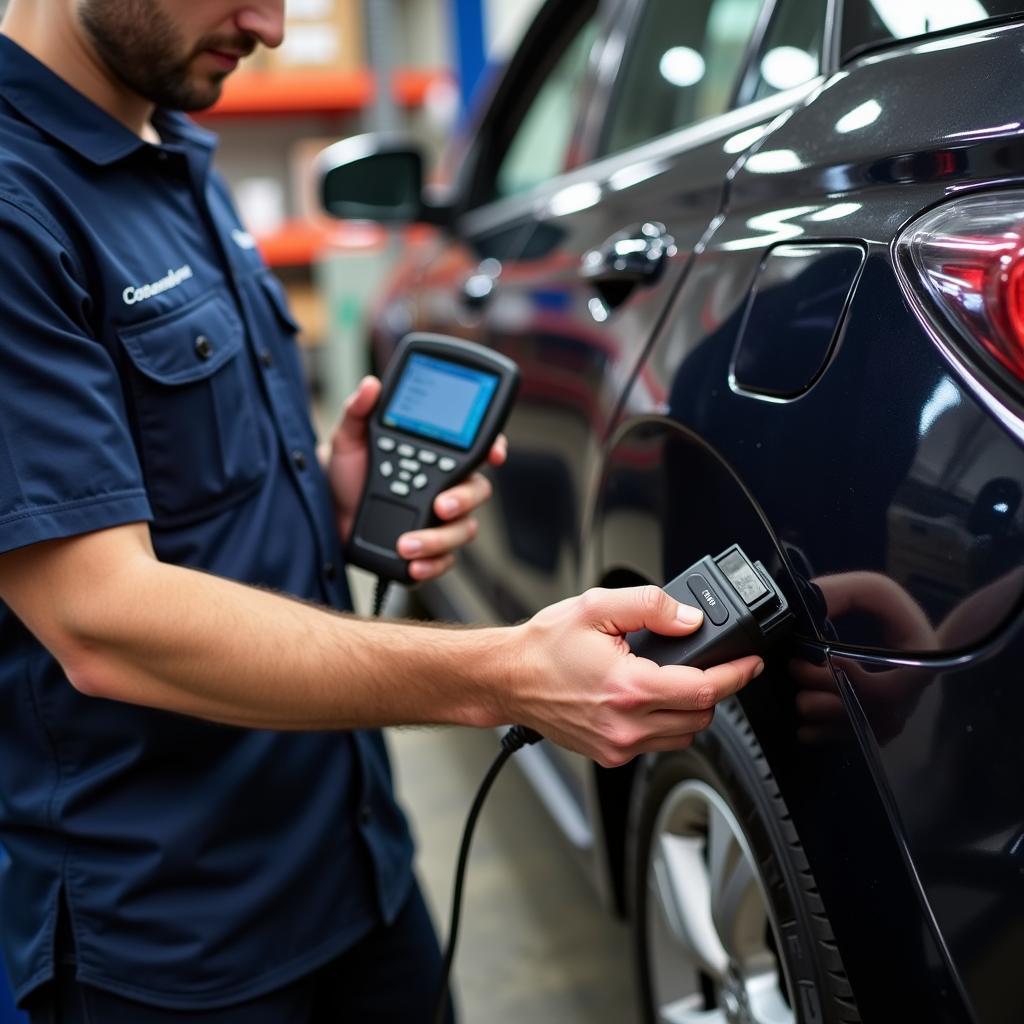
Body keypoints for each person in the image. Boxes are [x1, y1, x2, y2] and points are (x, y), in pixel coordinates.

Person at [0, 2, 764, 1021]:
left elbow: (167, 487)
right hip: (174, 940)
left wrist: (326, 492)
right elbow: (100, 621)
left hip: (353, 854)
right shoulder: (17, 206)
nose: (272, 25)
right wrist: (504, 675)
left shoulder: (175, 145)